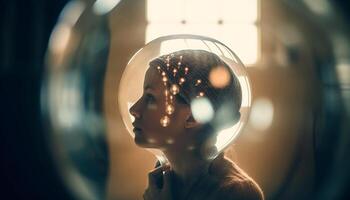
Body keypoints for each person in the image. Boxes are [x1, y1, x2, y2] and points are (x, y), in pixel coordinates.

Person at [129, 49, 264, 200]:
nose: (134, 109)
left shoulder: (237, 193)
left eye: (151, 98)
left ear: (192, 117)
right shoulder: (164, 179)